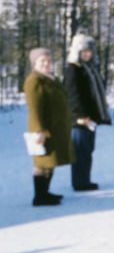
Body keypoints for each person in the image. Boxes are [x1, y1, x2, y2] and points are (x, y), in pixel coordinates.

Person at [24, 47, 74, 206]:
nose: (46, 63)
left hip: (56, 128)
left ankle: (45, 192)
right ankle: (39, 196)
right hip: (45, 129)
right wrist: (37, 130)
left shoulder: (50, 78)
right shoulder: (34, 81)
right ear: (34, 63)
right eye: (42, 61)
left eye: (48, 60)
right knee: (41, 162)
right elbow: (34, 108)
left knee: (50, 161)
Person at [64, 34, 111, 191]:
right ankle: (80, 182)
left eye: (90, 51)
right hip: (80, 119)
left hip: (90, 117)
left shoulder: (89, 68)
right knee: (80, 150)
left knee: (87, 149)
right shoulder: (73, 69)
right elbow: (73, 95)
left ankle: (84, 179)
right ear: (77, 51)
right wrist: (80, 115)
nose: (87, 54)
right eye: (84, 51)